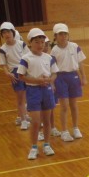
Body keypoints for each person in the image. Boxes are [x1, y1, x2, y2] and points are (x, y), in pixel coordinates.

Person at [17, 28, 59, 160]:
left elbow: (54, 73)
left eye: (42, 42)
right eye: (36, 42)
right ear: (30, 43)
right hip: (33, 91)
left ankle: (47, 144)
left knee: (47, 120)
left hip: (46, 91)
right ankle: (34, 147)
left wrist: (49, 80)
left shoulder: (49, 58)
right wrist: (37, 81)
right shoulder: (26, 58)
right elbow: (21, 76)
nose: (40, 45)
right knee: (35, 122)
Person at [51, 23, 87, 142]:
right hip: (60, 78)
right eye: (60, 34)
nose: (63, 36)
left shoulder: (74, 46)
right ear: (55, 36)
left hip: (73, 76)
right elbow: (52, 68)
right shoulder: (54, 50)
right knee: (64, 106)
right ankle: (64, 131)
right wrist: (52, 82)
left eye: (65, 34)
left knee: (74, 104)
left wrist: (83, 77)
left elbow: (80, 63)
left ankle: (75, 128)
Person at [0, 21, 29, 130]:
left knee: (26, 96)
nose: (6, 34)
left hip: (25, 71)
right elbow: (3, 64)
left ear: (13, 32)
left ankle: (23, 116)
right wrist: (8, 73)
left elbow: (29, 58)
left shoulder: (22, 44)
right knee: (20, 98)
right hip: (15, 74)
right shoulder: (3, 49)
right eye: (4, 33)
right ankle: (23, 120)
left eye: (8, 32)